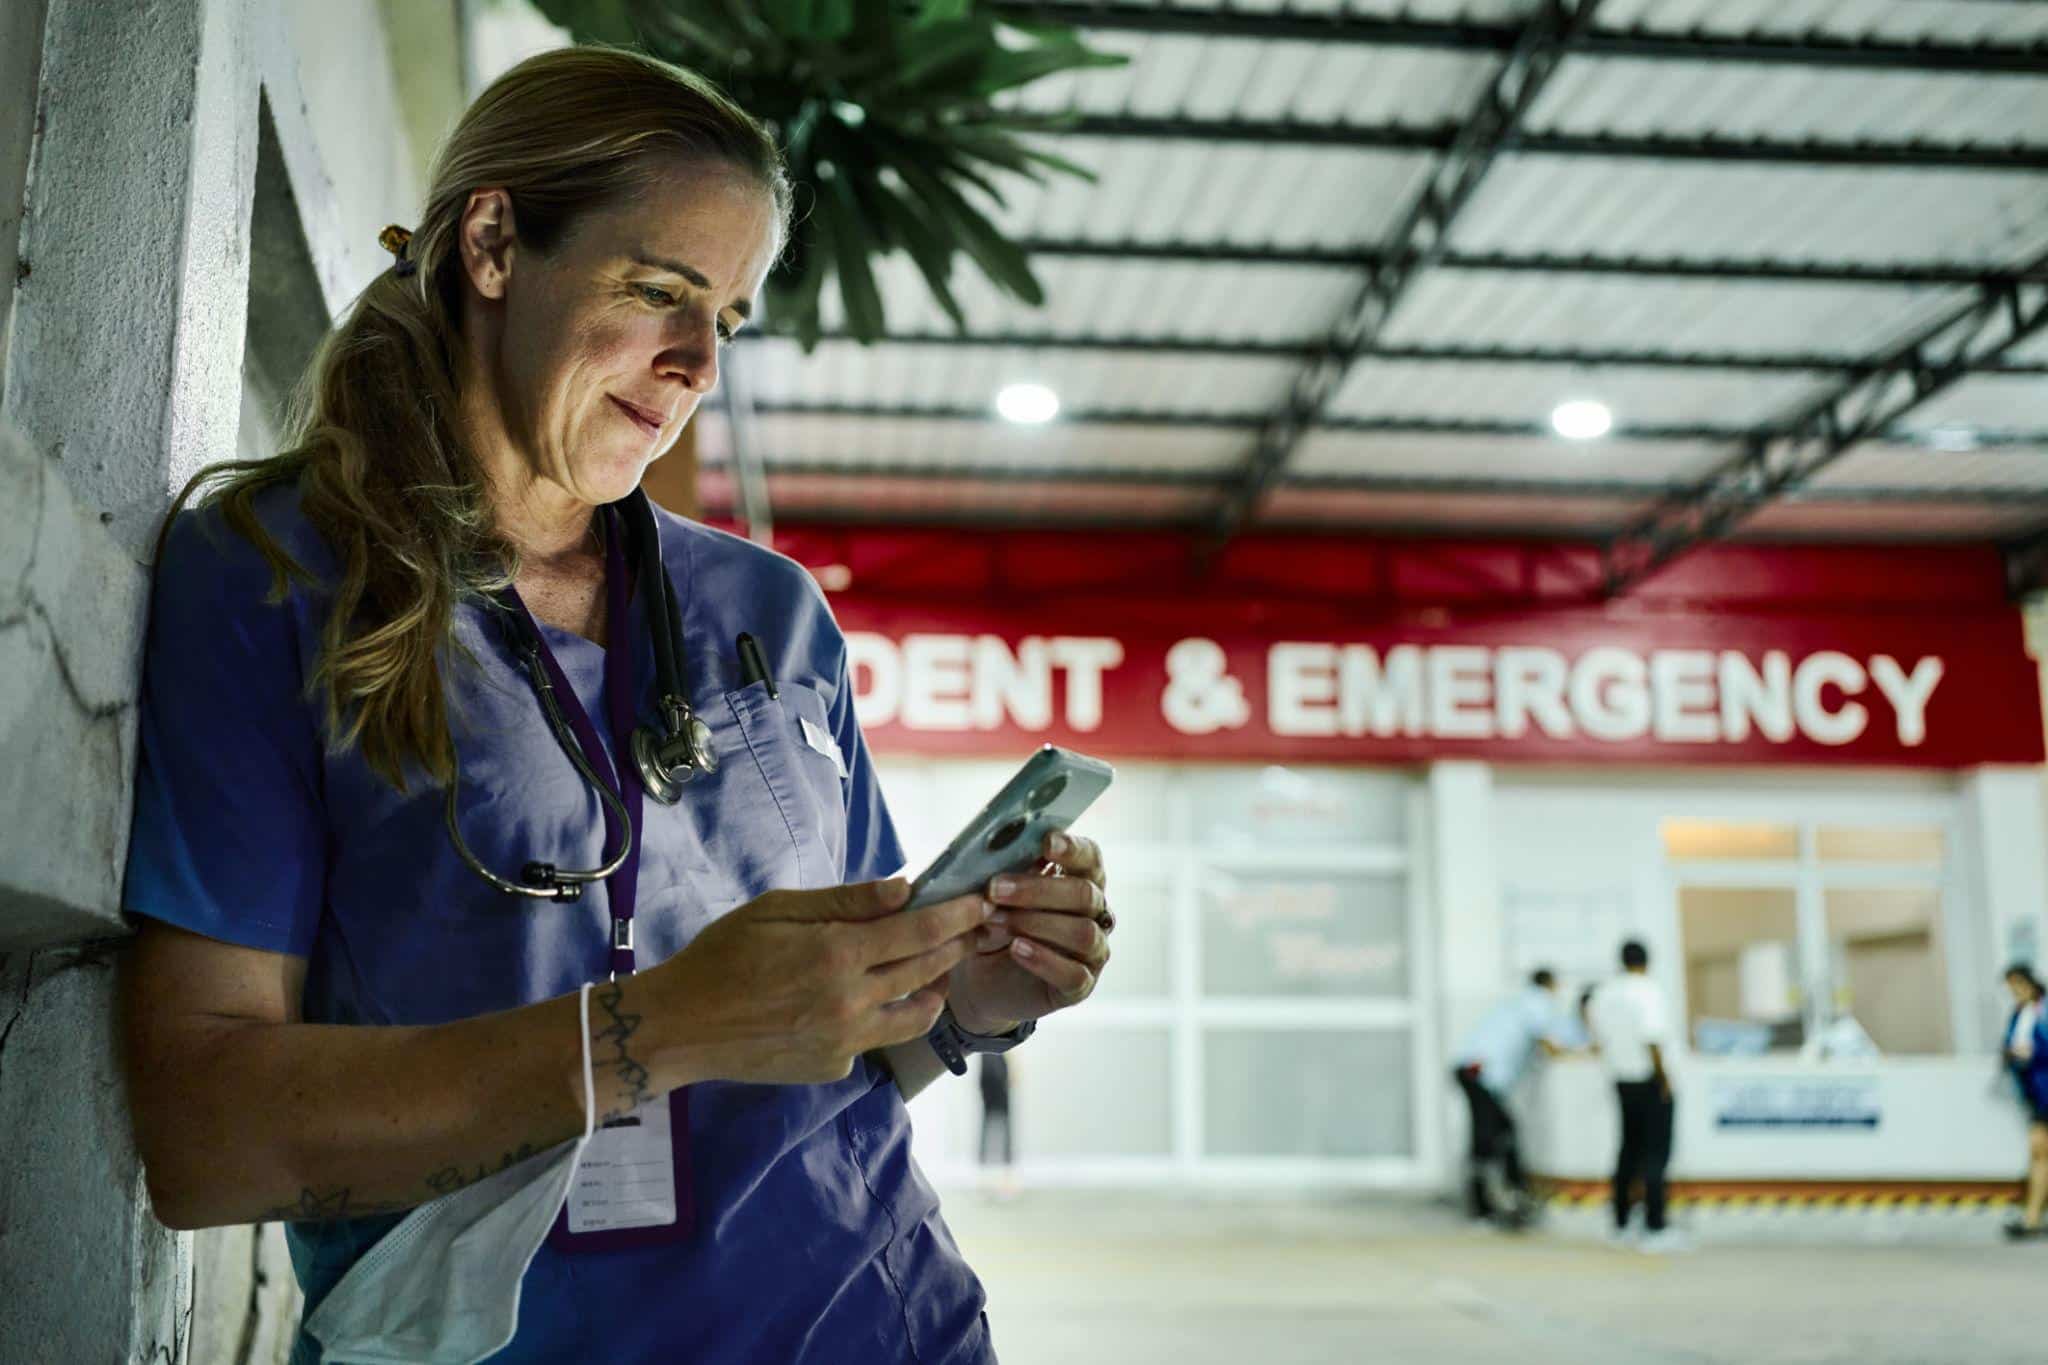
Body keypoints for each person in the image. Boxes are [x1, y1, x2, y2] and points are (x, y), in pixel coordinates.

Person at [118, 48, 1117, 1365]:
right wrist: (657, 1027)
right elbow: (201, 1139)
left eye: (733, 320)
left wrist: (973, 995)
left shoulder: (768, 612)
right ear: (493, 243)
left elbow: (858, 1043)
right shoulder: (274, 574)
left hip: (892, 1324)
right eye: (662, 294)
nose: (702, 361)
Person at [1450, 967, 1575, 1226]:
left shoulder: (1516, 1003)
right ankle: (1491, 1205)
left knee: (1493, 1135)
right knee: (1495, 1136)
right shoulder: (1539, 1003)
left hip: (1472, 1070)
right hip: (1480, 1073)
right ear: (1551, 984)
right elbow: (1549, 1045)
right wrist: (1580, 1055)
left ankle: (1491, 1202)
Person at [1586, 940, 1684, 1251]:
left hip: (1621, 1080)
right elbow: (1652, 1038)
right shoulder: (1647, 991)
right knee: (1655, 1154)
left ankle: (1621, 1222)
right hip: (1649, 1080)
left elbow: (1595, 1031)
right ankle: (1655, 1227)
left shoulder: (1605, 993)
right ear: (1647, 961)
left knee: (1628, 1151)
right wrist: (1664, 1078)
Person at [2001, 964, 2048, 1239]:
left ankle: (2032, 1216)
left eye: (2017, 986)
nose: (2014, 992)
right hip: (2037, 1094)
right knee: (2039, 1151)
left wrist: (2030, 1052)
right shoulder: (2019, 1014)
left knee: (2039, 1150)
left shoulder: (2042, 1012)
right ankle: (2031, 1216)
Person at [977, 1053, 1018, 1198]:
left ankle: (1005, 1181)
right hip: (991, 1075)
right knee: (993, 1127)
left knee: (1003, 1129)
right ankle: (988, 1181)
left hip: (995, 1075)